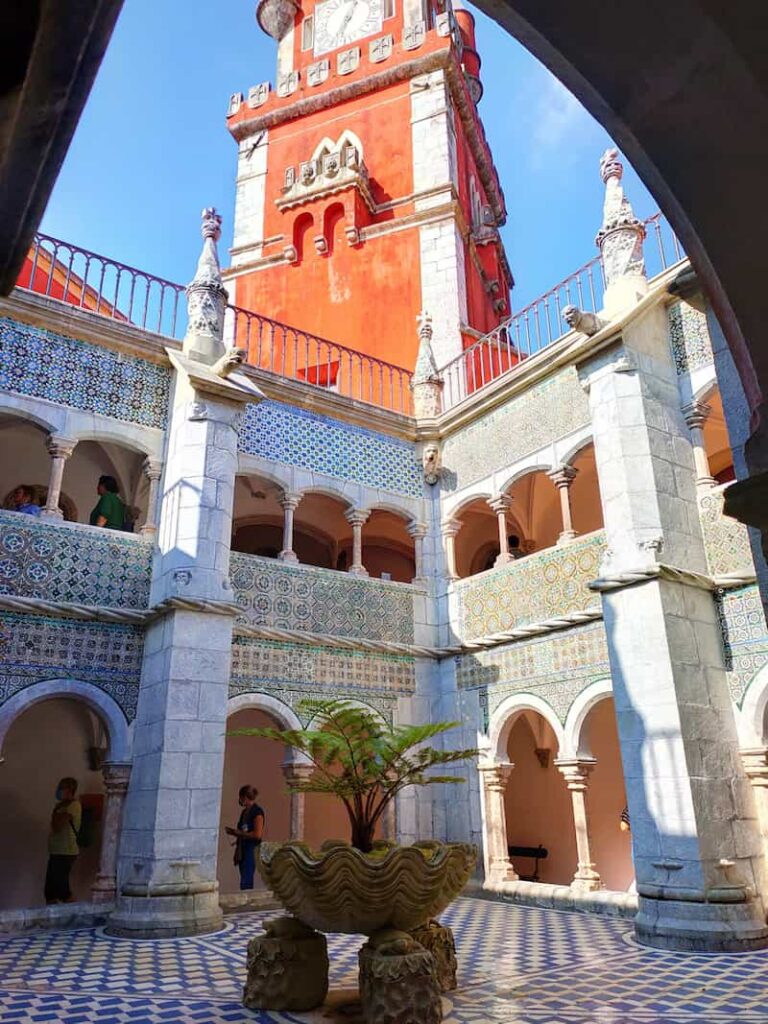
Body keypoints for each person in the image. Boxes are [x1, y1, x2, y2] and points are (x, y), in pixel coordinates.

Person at [45, 777, 81, 904]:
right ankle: (52, 918)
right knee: (49, 890)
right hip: (55, 851)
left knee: (62, 889)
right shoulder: (59, 806)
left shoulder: (74, 805)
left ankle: (73, 915)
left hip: (66, 851)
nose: (59, 791)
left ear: (70, 790)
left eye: (62, 788)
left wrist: (58, 814)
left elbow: (58, 825)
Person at [225, 785, 265, 891]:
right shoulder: (244, 813)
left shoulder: (257, 812)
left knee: (246, 879)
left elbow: (257, 834)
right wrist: (234, 833)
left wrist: (240, 833)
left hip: (251, 848)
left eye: (241, 797)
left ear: (245, 797)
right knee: (243, 877)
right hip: (242, 848)